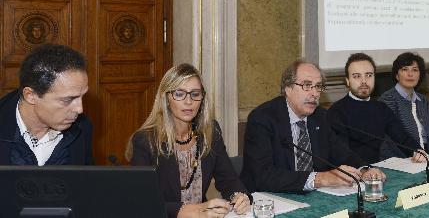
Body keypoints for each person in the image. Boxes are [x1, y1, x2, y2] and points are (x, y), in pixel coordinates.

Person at [240, 60, 385, 194]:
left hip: (313, 198)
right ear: (288, 89)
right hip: (269, 199)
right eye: (307, 85)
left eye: (318, 86)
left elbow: (342, 153)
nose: (315, 93)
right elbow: (263, 176)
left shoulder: (320, 117)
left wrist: (364, 169)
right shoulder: (262, 119)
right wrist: (320, 179)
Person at [126, 63, 251, 218]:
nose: (188, 101)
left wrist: (239, 197)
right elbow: (141, 202)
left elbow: (229, 180)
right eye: (179, 94)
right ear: (166, 98)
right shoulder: (146, 140)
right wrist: (195, 210)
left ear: (202, 98)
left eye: (195, 94)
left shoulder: (211, 132)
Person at [0, 44, 93, 165]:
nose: (79, 109)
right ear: (30, 95)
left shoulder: (83, 127)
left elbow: (85, 181)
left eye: (82, 96)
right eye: (68, 100)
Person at [327, 53, 425, 164]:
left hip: (376, 171)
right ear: (348, 81)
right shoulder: (336, 111)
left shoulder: (381, 108)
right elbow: (341, 153)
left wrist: (417, 151)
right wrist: (364, 169)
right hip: (349, 174)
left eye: (368, 75)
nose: (364, 81)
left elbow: (401, 137)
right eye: (357, 76)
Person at [379, 52, 429, 159]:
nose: (410, 74)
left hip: (427, 156)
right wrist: (415, 155)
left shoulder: (423, 100)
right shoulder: (387, 99)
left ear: (420, 75)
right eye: (405, 69)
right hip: (401, 159)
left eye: (415, 70)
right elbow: (394, 138)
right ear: (396, 75)